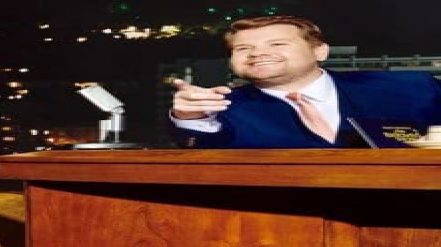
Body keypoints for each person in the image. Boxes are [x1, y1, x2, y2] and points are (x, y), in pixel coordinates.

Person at [169, 15, 441, 149]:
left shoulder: (411, 88)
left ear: (320, 51)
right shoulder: (219, 109)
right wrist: (190, 116)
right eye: (243, 49)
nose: (257, 53)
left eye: (277, 44)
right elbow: (200, 145)